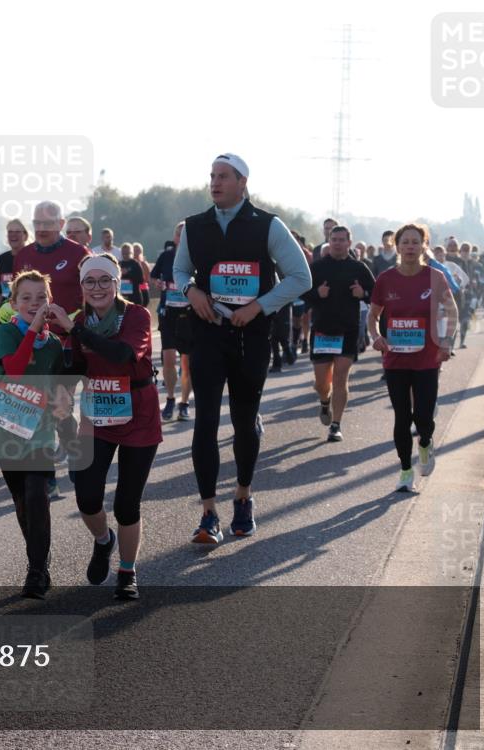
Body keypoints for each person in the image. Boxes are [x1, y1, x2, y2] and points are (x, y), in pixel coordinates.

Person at [174, 153, 311, 544]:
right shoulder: (196, 227)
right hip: (209, 333)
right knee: (204, 424)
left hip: (251, 336)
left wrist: (259, 306)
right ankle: (207, 514)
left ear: (242, 183)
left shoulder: (268, 225)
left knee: (244, 422)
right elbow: (180, 271)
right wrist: (192, 291)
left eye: (223, 176)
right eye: (211, 176)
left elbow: (301, 276)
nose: (214, 182)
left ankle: (243, 498)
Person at [48, 254, 161, 600]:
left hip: (139, 416)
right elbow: (77, 366)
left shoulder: (136, 316)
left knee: (127, 503)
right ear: (81, 287)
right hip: (97, 416)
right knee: (86, 493)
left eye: (103, 281)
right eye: (89, 282)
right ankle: (103, 541)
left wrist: (74, 329)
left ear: (116, 284)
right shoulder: (81, 320)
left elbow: (121, 355)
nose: (96, 288)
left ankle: (127, 572)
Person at [0, 270, 69, 598]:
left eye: (40, 298)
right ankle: (40, 559)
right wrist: (33, 330)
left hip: (41, 429)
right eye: (26, 298)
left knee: (37, 494)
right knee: (21, 500)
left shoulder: (55, 345)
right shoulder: (6, 333)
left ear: (49, 301)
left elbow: (62, 389)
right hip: (8, 425)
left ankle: (36, 572)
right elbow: (16, 370)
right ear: (14, 302)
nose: (33, 304)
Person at [368, 224, 457, 491]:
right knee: (402, 416)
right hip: (395, 359)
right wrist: (375, 336)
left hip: (427, 357)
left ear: (423, 245)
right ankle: (406, 470)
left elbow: (452, 310)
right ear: (397, 246)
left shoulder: (435, 277)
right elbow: (373, 315)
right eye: (404, 242)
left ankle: (426, 442)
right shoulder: (385, 279)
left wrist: (446, 341)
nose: (409, 247)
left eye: (415, 242)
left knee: (424, 415)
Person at [302, 225, 375, 441]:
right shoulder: (317, 267)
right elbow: (303, 293)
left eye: (342, 239)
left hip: (348, 329)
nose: (337, 243)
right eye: (334, 239)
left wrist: (364, 293)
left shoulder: (359, 268)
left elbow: (375, 294)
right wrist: (317, 293)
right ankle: (325, 402)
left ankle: (336, 425)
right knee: (322, 383)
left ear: (349, 243)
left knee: (341, 376)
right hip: (323, 329)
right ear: (329, 241)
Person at [13, 201, 91, 332]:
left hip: (69, 335)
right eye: (37, 223)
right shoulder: (22, 255)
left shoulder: (80, 253)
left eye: (48, 223)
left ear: (60, 224)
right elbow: (15, 294)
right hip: (29, 335)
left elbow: (93, 294)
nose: (42, 228)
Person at [151, 228, 193, 421]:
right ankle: (169, 399)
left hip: (188, 314)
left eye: (186, 232)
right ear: (175, 237)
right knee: (168, 359)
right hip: (168, 312)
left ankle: (184, 404)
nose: (182, 236)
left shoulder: (196, 254)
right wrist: (158, 284)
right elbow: (153, 276)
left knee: (186, 363)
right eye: (179, 233)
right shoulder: (167, 256)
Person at [0, 219, 29, 313]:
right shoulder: (1, 259)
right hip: (5, 308)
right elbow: (1, 282)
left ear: (25, 236)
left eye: (17, 231)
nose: (13, 235)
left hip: (27, 309)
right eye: (10, 232)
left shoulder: (32, 257)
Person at [133, 242, 152, 307]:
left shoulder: (144, 264)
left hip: (143, 288)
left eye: (138, 250)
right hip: (132, 290)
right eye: (135, 250)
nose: (136, 252)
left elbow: (147, 279)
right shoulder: (129, 264)